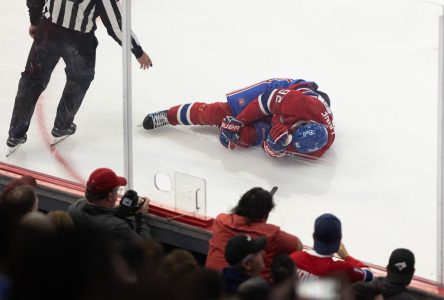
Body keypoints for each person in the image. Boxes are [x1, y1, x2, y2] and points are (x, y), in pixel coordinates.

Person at [6, 0, 153, 155]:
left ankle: (15, 133)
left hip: (48, 30)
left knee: (32, 81)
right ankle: (62, 126)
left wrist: (36, 21)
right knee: (79, 79)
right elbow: (115, 25)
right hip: (78, 39)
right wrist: (138, 51)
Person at [143, 78, 334, 159]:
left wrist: (275, 148)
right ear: (307, 122)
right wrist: (240, 119)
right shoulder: (302, 103)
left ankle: (230, 129)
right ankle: (169, 116)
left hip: (282, 111)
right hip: (276, 94)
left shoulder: (317, 149)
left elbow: (271, 148)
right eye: (292, 133)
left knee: (246, 137)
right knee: (219, 112)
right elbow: (266, 101)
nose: (289, 135)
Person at [205, 187, 303, 281]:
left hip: (212, 285)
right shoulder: (271, 234)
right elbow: (298, 247)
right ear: (266, 213)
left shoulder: (221, 220)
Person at [68, 167, 151, 242]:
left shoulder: (75, 208)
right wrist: (142, 217)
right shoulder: (117, 227)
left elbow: (98, 212)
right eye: (117, 190)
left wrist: (118, 210)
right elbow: (144, 250)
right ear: (110, 196)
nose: (118, 194)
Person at [290, 213, 373, 283]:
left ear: (313, 236)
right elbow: (369, 275)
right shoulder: (341, 269)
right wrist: (346, 256)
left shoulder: (294, 258)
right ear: (339, 240)